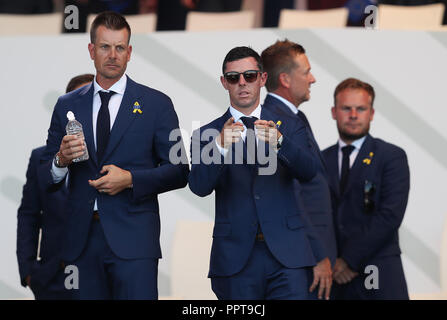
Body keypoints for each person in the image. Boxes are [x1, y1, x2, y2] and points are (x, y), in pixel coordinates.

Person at [42, 11, 189, 299]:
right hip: (81, 243)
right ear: (91, 50)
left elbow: (180, 170)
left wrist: (131, 179)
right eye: (105, 47)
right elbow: (45, 173)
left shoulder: (157, 104)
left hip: (135, 242)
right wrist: (61, 160)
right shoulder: (66, 105)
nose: (113, 55)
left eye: (120, 47)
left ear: (130, 52)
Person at [188, 46, 328, 300]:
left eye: (250, 75)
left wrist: (280, 142)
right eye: (234, 78)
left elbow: (310, 172)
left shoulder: (292, 124)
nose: (242, 83)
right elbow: (198, 186)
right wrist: (219, 146)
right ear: (224, 83)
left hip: (288, 256)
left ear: (263, 79)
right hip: (235, 259)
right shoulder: (206, 134)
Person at [261, 39, 336, 300]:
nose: (312, 79)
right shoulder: (274, 124)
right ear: (285, 79)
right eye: (306, 72)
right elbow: (292, 197)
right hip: (302, 259)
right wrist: (318, 254)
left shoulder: (294, 117)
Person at [322, 78, 410, 299]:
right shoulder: (320, 160)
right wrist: (332, 262)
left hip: (380, 277)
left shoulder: (391, 156)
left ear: (371, 113)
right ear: (334, 112)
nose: (353, 115)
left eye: (360, 109)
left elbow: (389, 216)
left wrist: (349, 261)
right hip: (333, 281)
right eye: (346, 108)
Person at [17, 73, 94, 300]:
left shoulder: (113, 157)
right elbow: (29, 214)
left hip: (100, 276)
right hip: (52, 280)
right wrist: (29, 271)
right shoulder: (40, 157)